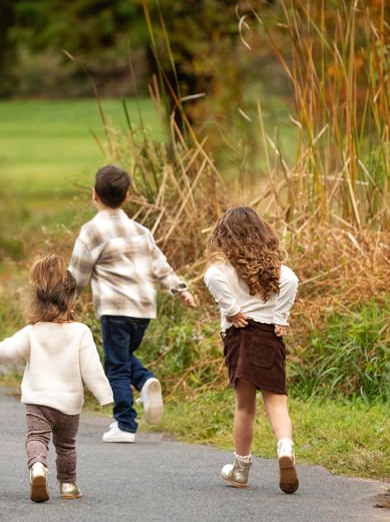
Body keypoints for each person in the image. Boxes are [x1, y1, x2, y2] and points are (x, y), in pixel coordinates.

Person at [0, 254, 113, 503]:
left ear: (38, 301)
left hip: (39, 402)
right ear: (72, 301)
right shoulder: (81, 332)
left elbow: (6, 351)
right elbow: (92, 369)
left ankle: (37, 468)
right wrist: (106, 397)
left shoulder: (32, 332)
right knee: (67, 446)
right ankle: (68, 485)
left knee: (37, 438)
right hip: (69, 406)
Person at [67, 165, 197, 443]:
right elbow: (160, 264)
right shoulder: (141, 230)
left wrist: (64, 304)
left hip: (115, 309)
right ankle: (145, 381)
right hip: (144, 309)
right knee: (122, 357)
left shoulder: (92, 232)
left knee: (115, 365)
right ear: (127, 196)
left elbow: (77, 273)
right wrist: (180, 289)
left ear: (94, 195)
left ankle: (125, 423)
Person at [203, 205, 300, 494]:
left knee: (245, 407)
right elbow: (292, 281)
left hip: (241, 335)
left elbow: (211, 278)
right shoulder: (274, 268)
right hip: (270, 336)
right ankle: (285, 448)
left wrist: (232, 310)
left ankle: (241, 468)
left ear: (225, 236)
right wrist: (281, 316)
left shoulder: (223, 268)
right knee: (277, 402)